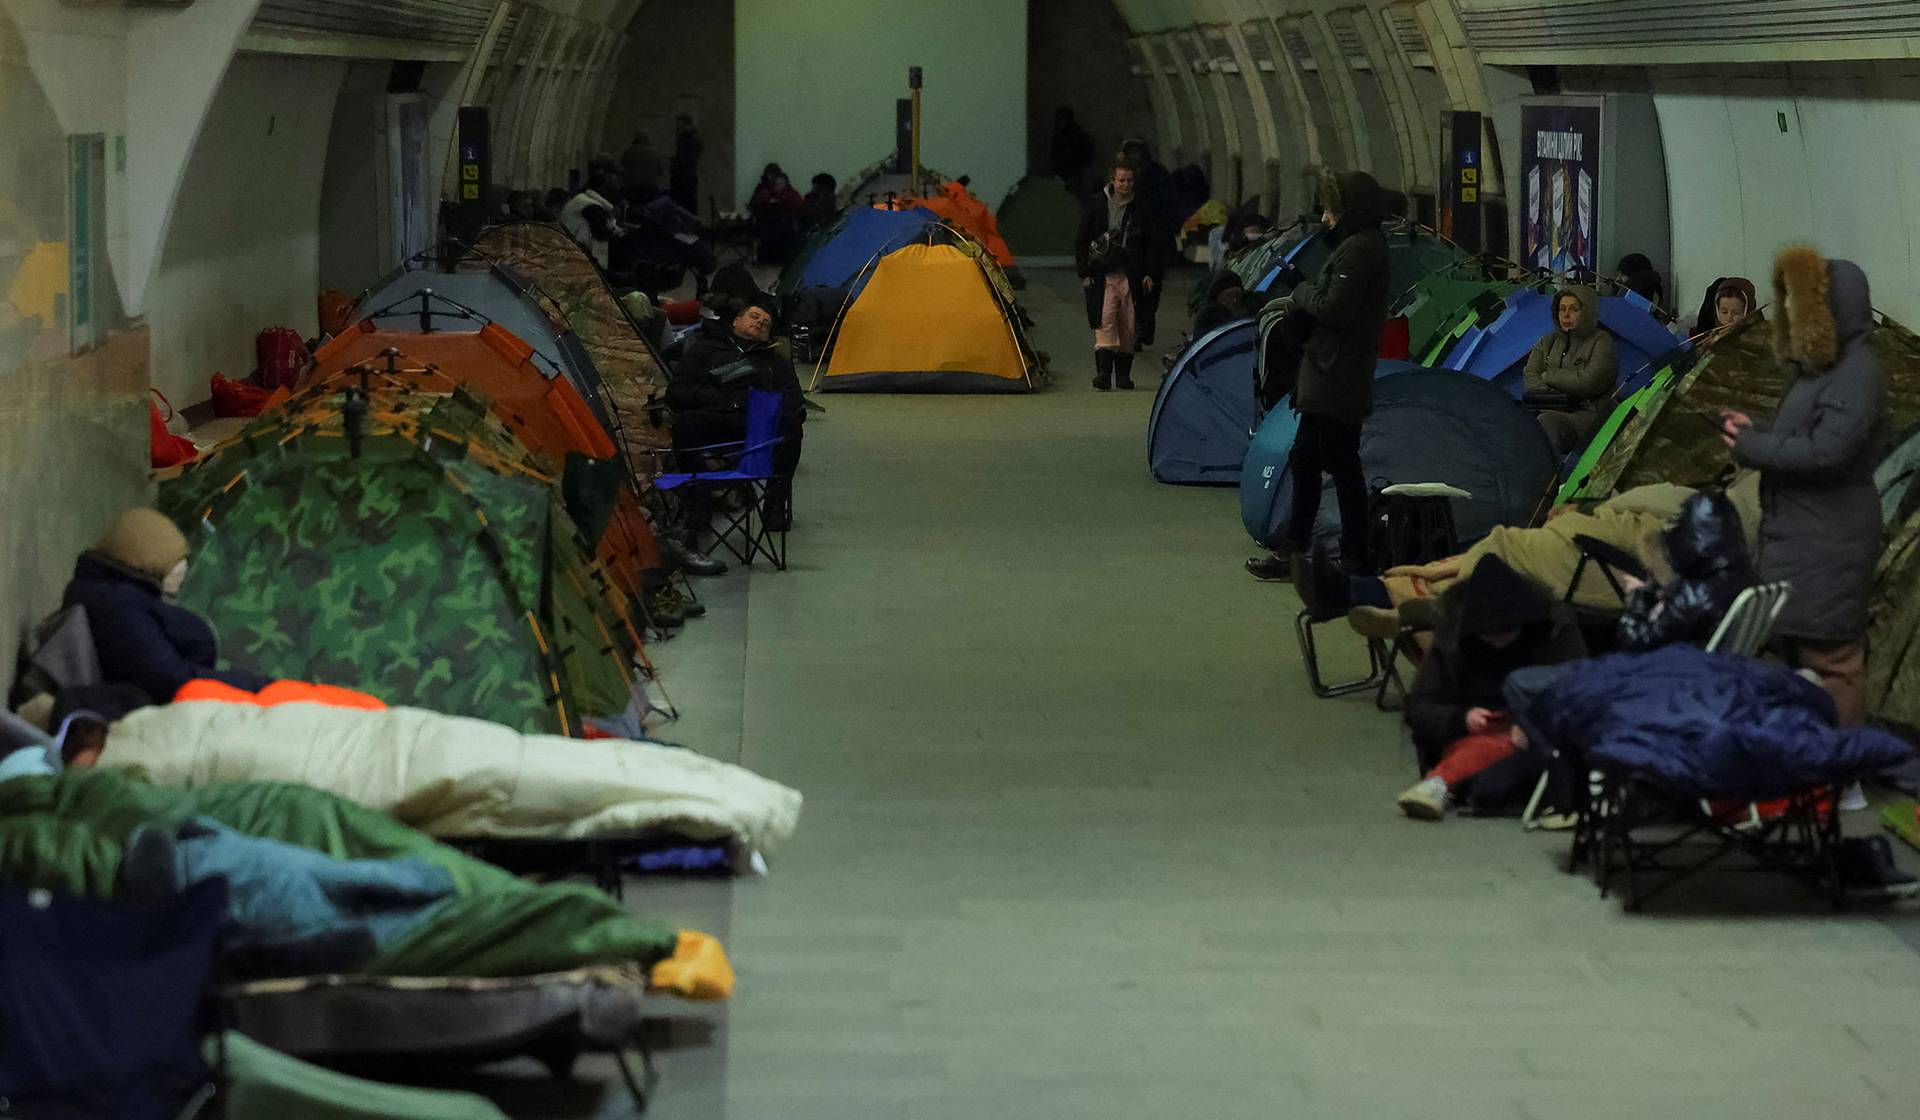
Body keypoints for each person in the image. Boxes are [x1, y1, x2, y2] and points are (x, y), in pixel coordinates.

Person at [1722, 246, 1886, 727]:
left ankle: (1843, 773)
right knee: (1801, 653)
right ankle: (1813, 769)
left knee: (1834, 661)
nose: (1792, 311)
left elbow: (1826, 453)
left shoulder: (1858, 373)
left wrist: (1752, 448)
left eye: (1801, 302)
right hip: (1803, 534)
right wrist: (1756, 431)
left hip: (1830, 539)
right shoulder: (1823, 372)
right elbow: (1804, 440)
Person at [1395, 557, 1586, 820]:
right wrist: (1462, 719)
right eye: (1487, 633)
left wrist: (1536, 723)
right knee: (1488, 762)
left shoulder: (1555, 630)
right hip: (1471, 731)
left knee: (1496, 778)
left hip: (1538, 738)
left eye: (1504, 631)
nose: (1496, 641)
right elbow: (1419, 705)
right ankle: (1445, 783)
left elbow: (1582, 692)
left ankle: (1440, 783)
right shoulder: (1453, 636)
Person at [1281, 169, 1394, 585]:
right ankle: (1298, 549)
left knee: (1340, 464)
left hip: (1337, 373)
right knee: (1308, 458)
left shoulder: (1360, 250)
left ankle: (1353, 555)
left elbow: (1334, 308)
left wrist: (1298, 293)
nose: (1325, 218)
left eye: (1331, 209)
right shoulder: (1359, 246)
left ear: (1349, 210)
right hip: (1331, 371)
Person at [62, 509, 270, 705]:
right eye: (174, 576)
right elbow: (173, 680)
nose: (176, 587)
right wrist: (262, 688)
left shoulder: (105, 594)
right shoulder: (117, 608)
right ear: (150, 566)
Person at [1075, 161, 1161, 391]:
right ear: (1112, 180)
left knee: (1129, 326)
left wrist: (1150, 273)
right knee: (1104, 322)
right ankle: (1103, 374)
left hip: (1132, 276)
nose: (1125, 184)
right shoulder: (1096, 206)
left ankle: (1123, 376)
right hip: (1102, 276)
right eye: (1121, 180)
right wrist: (1084, 272)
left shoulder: (1142, 208)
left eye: (1129, 180)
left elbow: (1152, 243)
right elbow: (1081, 240)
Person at [1523, 284, 1617, 456]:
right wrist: (1555, 395)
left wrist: (1549, 375)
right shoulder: (1547, 341)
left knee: (1546, 425)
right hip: (1547, 407)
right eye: (1562, 309)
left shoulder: (1602, 342)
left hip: (1585, 415)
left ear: (1587, 311)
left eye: (1574, 309)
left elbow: (1589, 381)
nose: (1566, 315)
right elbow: (1530, 376)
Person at [1118, 139, 1176, 349]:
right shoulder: (1126, 176)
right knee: (1135, 286)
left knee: (1152, 287)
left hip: (1156, 236)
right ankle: (1137, 330)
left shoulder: (1155, 175)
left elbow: (1169, 202)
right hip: (1136, 239)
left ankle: (1145, 327)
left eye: (1137, 152)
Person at [748, 164, 805, 265]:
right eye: (776, 184)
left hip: (787, 227)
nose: (776, 186)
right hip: (772, 225)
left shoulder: (792, 195)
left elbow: (796, 210)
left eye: (779, 183)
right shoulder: (768, 192)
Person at [1191, 271, 1253, 338]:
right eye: (1229, 295)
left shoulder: (1253, 303)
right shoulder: (1207, 316)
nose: (1234, 300)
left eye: (1237, 295)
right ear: (1217, 296)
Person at [1049, 106, 1096, 194]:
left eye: (1060, 118)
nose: (1058, 121)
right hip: (1069, 171)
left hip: (1071, 171)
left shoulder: (1073, 135)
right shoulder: (1065, 134)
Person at [670, 114, 704, 214]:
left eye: (679, 125)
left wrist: (675, 164)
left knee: (684, 208)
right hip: (689, 178)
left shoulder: (687, 139)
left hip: (684, 179)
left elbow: (685, 160)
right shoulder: (694, 138)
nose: (678, 128)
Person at [620, 132, 662, 201]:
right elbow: (659, 171)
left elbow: (621, 168)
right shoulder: (653, 153)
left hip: (633, 186)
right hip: (651, 186)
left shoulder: (628, 152)